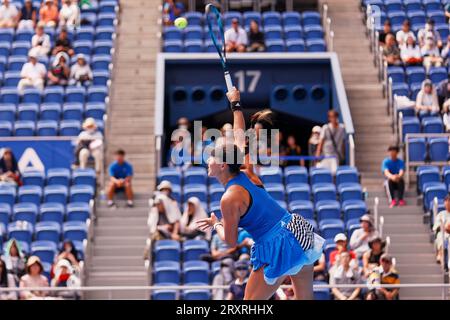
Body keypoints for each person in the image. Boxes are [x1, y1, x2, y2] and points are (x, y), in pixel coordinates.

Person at [197, 143, 324, 299]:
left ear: (223, 165)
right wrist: (237, 116)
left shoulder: (229, 198)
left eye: (211, 157)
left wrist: (216, 223)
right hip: (296, 232)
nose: (208, 160)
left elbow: (230, 241)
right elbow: (240, 137)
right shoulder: (248, 173)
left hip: (276, 245)